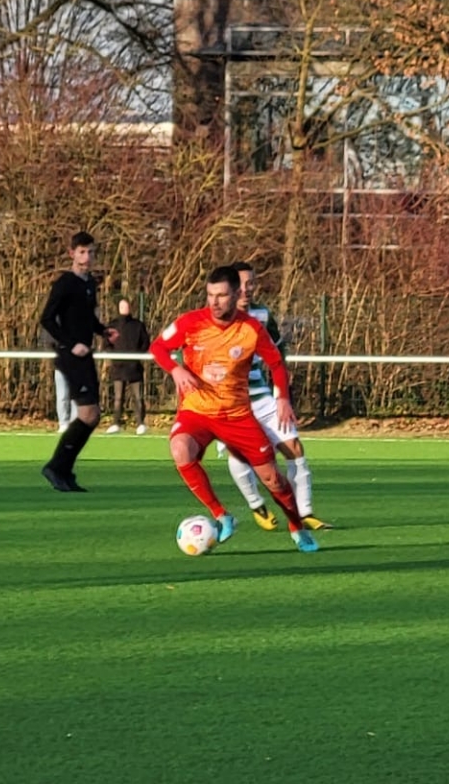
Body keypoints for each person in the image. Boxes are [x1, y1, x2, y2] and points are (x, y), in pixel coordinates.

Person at [151, 266, 318, 553]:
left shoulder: (251, 329)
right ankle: (221, 515)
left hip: (237, 416)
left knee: (272, 479)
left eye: (221, 295)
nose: (214, 302)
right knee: (180, 449)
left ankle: (296, 526)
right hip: (197, 412)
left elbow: (276, 363)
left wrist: (282, 399)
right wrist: (176, 370)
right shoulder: (190, 322)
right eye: (210, 295)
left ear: (236, 294)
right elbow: (158, 348)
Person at [223, 262, 331, 531]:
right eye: (241, 284)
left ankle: (305, 513)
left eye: (251, 283)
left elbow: (278, 350)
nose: (247, 289)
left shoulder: (261, 314)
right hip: (230, 403)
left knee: (294, 447)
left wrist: (281, 391)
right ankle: (256, 505)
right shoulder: (216, 319)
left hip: (262, 397)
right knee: (240, 455)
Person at [39, 231, 107, 491]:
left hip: (84, 354)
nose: (87, 257)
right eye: (82, 252)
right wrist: (70, 343)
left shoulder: (89, 283)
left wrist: (103, 331)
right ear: (72, 254)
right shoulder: (65, 283)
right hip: (70, 355)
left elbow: (87, 317)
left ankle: (63, 469)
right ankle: (56, 467)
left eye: (91, 252)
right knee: (88, 414)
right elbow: (46, 319)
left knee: (93, 415)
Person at [104, 299, 151, 435]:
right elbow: (106, 345)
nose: (124, 309)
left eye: (126, 306)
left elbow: (145, 343)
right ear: (119, 308)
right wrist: (115, 357)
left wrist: (137, 356)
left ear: (130, 308)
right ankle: (116, 424)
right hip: (118, 367)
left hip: (134, 367)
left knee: (138, 397)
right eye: (122, 306)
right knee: (118, 397)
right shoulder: (112, 326)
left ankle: (140, 424)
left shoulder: (138, 325)